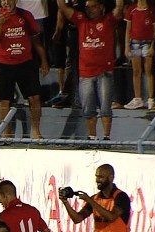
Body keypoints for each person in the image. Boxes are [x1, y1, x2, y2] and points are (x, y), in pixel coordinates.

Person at [57, 0, 124, 141]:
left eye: (93, 7)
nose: (89, 10)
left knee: (106, 107)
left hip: (104, 72)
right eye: (87, 7)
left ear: (101, 7)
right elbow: (62, 7)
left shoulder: (108, 20)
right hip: (85, 73)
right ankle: (92, 137)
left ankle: (106, 138)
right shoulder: (81, 20)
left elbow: (119, 7)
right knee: (88, 109)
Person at [0, 0, 49, 139]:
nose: (6, 2)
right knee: (3, 100)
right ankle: (6, 133)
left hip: (25, 62)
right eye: (3, 0)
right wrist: (0, 23)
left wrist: (44, 60)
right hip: (4, 63)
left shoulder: (26, 15)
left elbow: (36, 40)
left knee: (34, 97)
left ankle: (36, 131)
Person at [59, 164, 132, 232]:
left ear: (111, 178)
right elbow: (77, 219)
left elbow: (111, 217)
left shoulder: (121, 197)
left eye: (101, 177)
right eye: (97, 176)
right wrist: (65, 202)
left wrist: (90, 201)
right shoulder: (95, 198)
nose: (97, 180)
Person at [123, 0, 155, 110]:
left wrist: (152, 46)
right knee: (136, 71)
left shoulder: (151, 10)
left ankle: (151, 99)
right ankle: (138, 98)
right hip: (135, 43)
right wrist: (127, 46)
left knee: (148, 71)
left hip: (147, 43)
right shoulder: (131, 10)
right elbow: (128, 29)